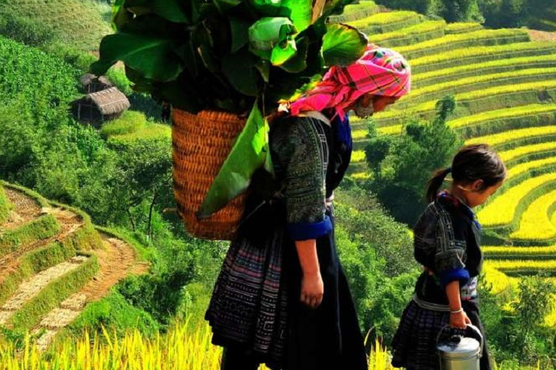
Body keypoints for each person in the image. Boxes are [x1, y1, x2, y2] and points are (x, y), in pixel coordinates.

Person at [205, 46, 411, 370]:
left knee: (252, 343)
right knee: (292, 344)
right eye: (390, 99)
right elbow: (304, 203)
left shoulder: (330, 109)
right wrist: (313, 274)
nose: (386, 108)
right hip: (286, 242)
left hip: (286, 234)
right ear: (372, 90)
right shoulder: (310, 127)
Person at [391, 144, 507, 370]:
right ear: (476, 185)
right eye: (489, 193)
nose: (487, 199)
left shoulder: (439, 206)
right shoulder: (453, 219)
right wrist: (456, 311)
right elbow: (450, 268)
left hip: (428, 301)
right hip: (449, 311)